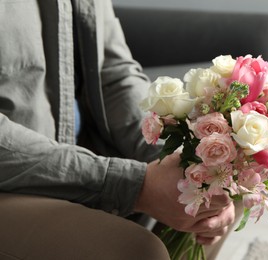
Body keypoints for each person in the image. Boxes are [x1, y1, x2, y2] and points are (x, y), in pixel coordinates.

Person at [0, 0, 238, 259]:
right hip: (12, 178)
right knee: (135, 251)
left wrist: (176, 156)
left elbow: (114, 74)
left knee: (218, 186)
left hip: (74, 152)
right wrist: (133, 185)